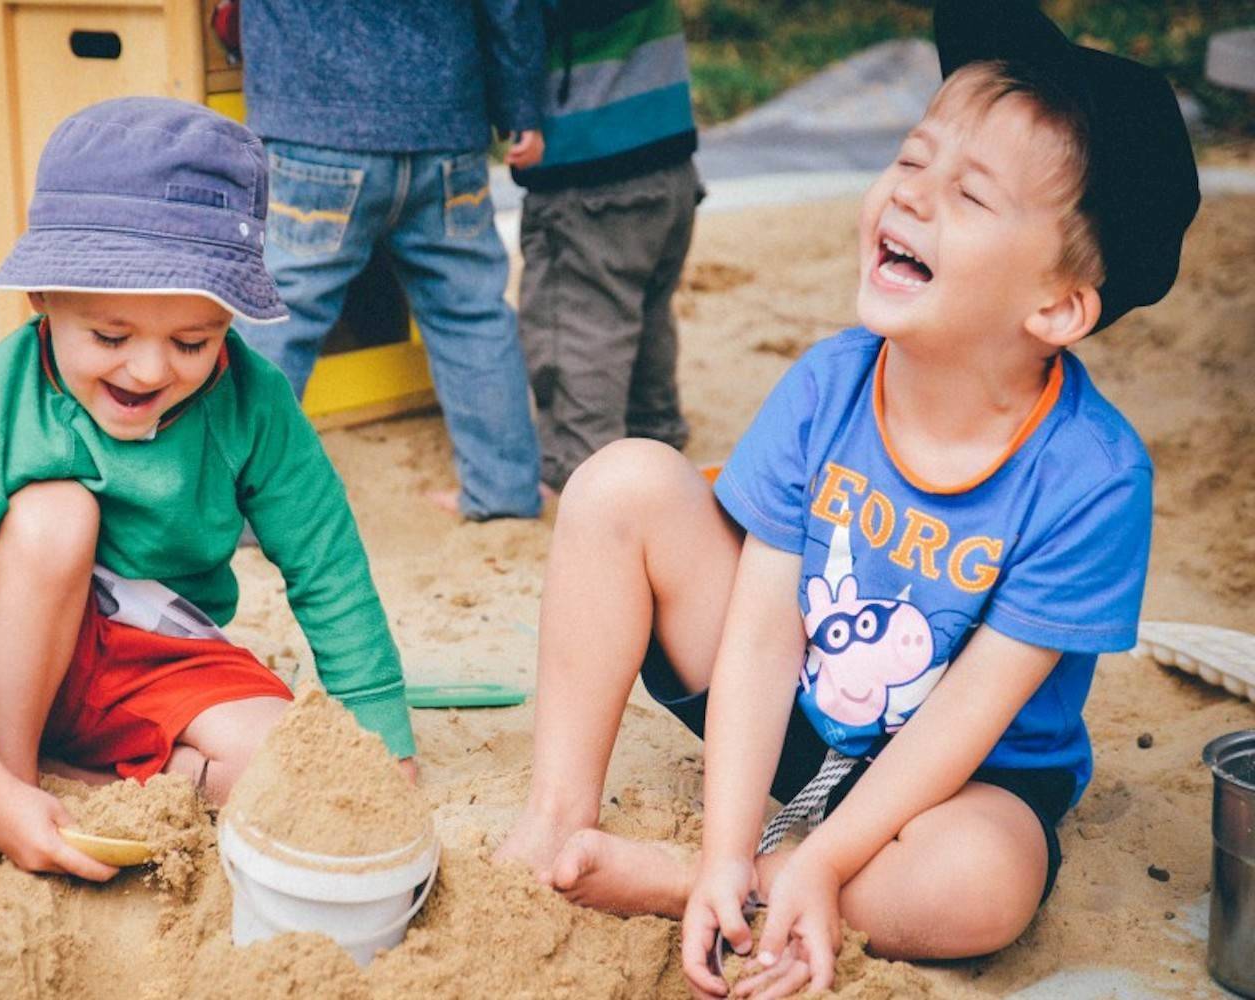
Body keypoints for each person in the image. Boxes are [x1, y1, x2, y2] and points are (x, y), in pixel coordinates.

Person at [495, 2, 1200, 995]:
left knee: (982, 885)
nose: (910, 197)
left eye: (968, 193)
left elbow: (966, 711)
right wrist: (733, 835)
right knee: (622, 482)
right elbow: (758, 631)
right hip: (798, 714)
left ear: (1053, 305)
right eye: (912, 159)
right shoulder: (830, 383)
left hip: (956, 778)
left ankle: (703, 884)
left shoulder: (1092, 476)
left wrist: (815, 862)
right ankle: (558, 816)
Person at [0, 98, 417, 883]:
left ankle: (94, 780)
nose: (150, 371)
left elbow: (327, 565)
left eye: (192, 341)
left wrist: (385, 742)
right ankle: (18, 783)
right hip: (16, 653)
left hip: (162, 660)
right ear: (42, 301)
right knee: (56, 513)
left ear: (229, 316)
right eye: (111, 337)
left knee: (297, 761)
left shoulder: (252, 402)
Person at [238, 0, 548, 520]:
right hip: (445, 128)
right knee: (472, 314)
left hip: (315, 120)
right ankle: (504, 492)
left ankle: (243, 508)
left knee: (280, 317)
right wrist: (520, 108)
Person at [513, 0, 702, 493]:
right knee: (645, 309)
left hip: (592, 168)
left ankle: (577, 466)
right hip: (669, 157)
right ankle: (654, 434)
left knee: (578, 327)